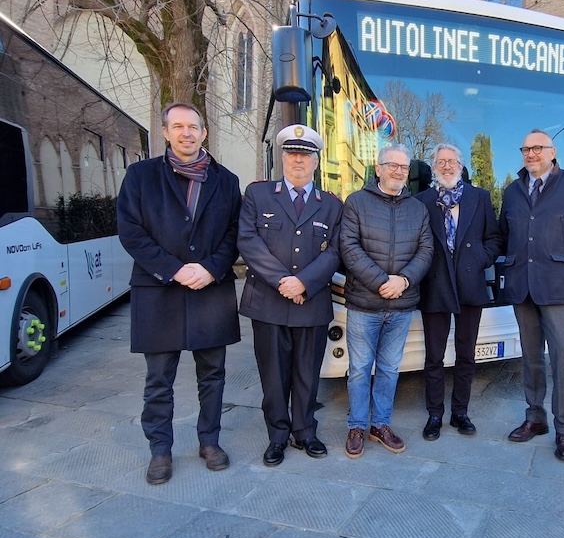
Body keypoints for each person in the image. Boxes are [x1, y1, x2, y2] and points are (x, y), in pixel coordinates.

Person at [117, 103, 241, 485]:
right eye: (178, 126)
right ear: (167, 132)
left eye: (194, 127)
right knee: (158, 380)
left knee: (213, 375)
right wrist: (174, 269)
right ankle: (159, 450)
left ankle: (209, 441)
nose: (187, 133)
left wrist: (210, 268)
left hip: (210, 288)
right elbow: (131, 230)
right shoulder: (140, 176)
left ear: (204, 133)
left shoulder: (227, 180)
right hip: (159, 291)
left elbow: (235, 234)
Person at [237, 124, 342, 467]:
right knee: (273, 375)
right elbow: (248, 241)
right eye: (293, 153)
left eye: (306, 154)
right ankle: (277, 436)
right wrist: (285, 281)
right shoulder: (258, 194)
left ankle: (305, 432)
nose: (299, 159)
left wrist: (304, 283)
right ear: (282, 157)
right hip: (268, 302)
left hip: (310, 304)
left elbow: (335, 252)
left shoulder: (331, 205)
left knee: (307, 374)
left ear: (315, 161)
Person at [499, 129, 564, 461]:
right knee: (530, 357)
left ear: (552, 152)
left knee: (563, 358)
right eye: (525, 148)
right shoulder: (512, 192)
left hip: (558, 288)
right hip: (521, 286)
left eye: (538, 148)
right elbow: (504, 234)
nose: (531, 153)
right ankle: (535, 418)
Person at [340, 143, 433, 459]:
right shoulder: (356, 203)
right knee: (359, 369)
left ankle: (380, 425)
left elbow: (426, 251)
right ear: (378, 168)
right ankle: (356, 425)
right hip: (364, 304)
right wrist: (382, 282)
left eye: (404, 167)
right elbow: (349, 248)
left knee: (391, 369)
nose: (398, 171)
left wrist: (403, 281)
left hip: (402, 306)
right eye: (392, 165)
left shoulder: (418, 209)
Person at [416, 144, 502, 440]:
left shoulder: (479, 197)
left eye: (452, 161)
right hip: (435, 287)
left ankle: (460, 412)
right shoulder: (422, 201)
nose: (447, 166)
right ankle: (435, 414)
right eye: (441, 162)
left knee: (466, 354)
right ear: (434, 167)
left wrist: (479, 258)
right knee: (434, 357)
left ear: (461, 166)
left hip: (470, 286)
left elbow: (493, 238)